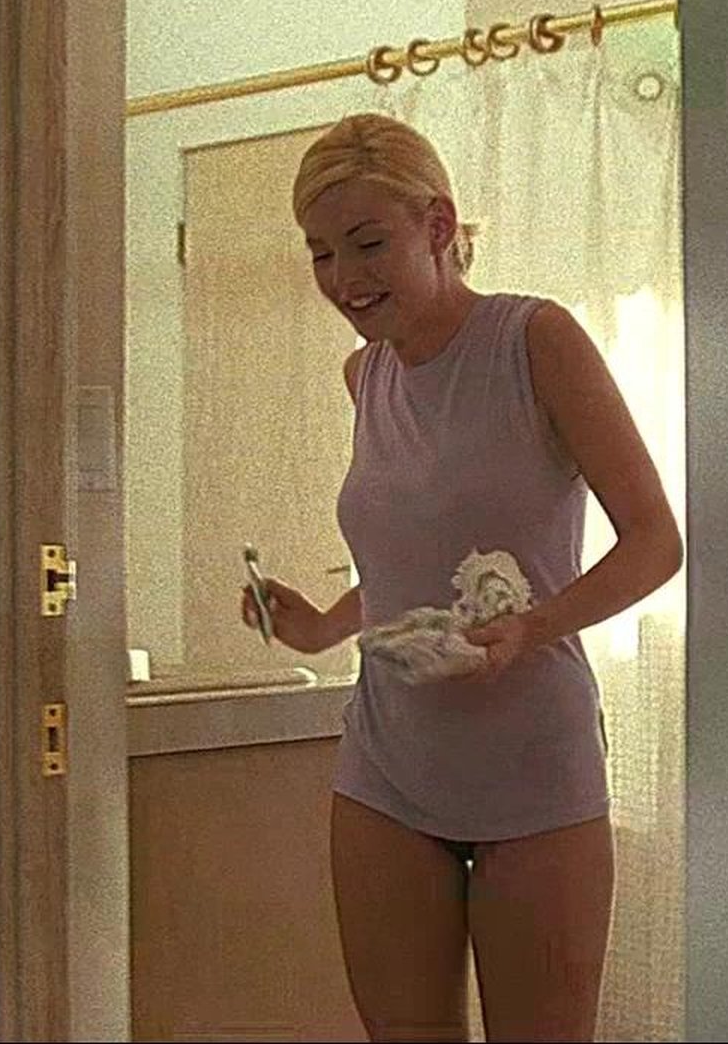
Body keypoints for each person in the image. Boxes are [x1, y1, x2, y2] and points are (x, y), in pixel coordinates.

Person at [239, 112, 683, 1042]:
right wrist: (320, 625)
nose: (344, 279)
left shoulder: (536, 340)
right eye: (321, 253)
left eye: (368, 244)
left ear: (437, 226)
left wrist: (532, 627)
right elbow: (413, 563)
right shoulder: (365, 377)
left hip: (533, 762)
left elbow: (654, 543)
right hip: (387, 763)